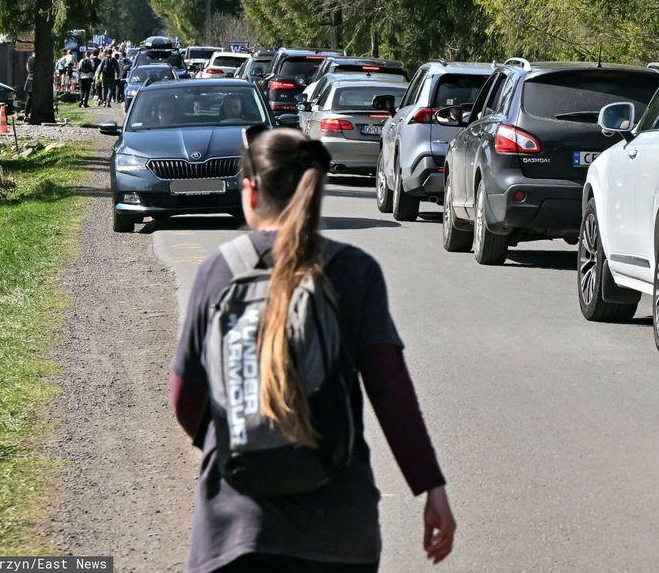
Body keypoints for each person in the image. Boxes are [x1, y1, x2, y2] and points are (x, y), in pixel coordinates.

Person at [171, 127, 455, 572]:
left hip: (235, 528)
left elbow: (185, 397)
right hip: (339, 531)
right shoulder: (356, 272)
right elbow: (391, 391)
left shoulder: (218, 271)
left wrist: (237, 438)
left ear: (250, 191)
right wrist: (430, 487)